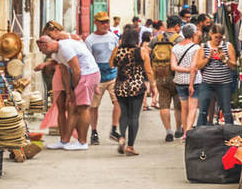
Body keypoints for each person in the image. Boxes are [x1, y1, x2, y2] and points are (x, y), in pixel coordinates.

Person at [36, 33, 100, 150]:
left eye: (41, 50)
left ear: (46, 45)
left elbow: (76, 70)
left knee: (82, 108)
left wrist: (75, 89)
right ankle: (64, 141)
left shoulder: (64, 48)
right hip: (83, 75)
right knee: (74, 106)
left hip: (88, 73)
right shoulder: (56, 53)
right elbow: (65, 71)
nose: (42, 53)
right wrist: (69, 91)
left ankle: (82, 142)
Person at [110, 24, 156, 155]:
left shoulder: (117, 50)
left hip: (120, 86)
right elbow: (148, 70)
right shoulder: (141, 51)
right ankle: (130, 146)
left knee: (124, 114)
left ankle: (122, 137)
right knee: (134, 117)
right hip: (137, 86)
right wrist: (152, 86)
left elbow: (111, 64)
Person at [85, 11, 121, 145]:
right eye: (102, 22)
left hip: (113, 74)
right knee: (93, 106)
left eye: (107, 22)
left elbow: (117, 54)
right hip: (97, 76)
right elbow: (88, 59)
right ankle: (94, 132)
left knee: (118, 101)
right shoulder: (90, 40)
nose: (106, 24)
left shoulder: (113, 37)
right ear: (96, 23)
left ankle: (114, 128)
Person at [193, 23, 237, 126]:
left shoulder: (227, 46)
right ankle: (200, 134)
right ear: (211, 34)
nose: (218, 40)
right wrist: (208, 57)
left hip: (224, 83)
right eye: (216, 37)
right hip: (207, 83)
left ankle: (229, 134)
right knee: (203, 110)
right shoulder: (204, 47)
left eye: (220, 37)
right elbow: (198, 65)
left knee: (227, 110)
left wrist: (225, 59)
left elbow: (234, 65)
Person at [152, 15, 184, 141]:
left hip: (160, 75)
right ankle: (179, 129)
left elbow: (149, 52)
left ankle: (168, 131)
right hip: (176, 75)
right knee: (178, 105)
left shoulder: (156, 38)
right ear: (176, 26)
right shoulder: (179, 39)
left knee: (164, 103)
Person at [171, 23, 201, 139]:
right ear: (194, 34)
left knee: (184, 108)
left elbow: (173, 67)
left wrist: (184, 69)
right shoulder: (196, 48)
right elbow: (194, 67)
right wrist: (191, 81)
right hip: (193, 82)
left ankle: (184, 132)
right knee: (193, 108)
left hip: (179, 81)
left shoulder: (175, 47)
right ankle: (188, 132)